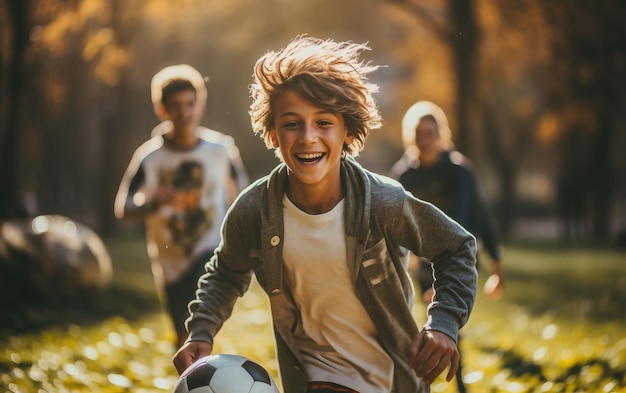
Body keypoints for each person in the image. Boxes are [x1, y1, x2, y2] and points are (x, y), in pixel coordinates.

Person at [173, 37, 478, 393]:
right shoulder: (255, 210)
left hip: (392, 377)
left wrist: (443, 322)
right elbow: (226, 273)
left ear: (347, 130)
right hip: (315, 377)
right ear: (272, 132)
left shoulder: (382, 203)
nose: (307, 137)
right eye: (291, 124)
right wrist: (202, 330)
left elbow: (456, 248)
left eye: (323, 122)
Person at [114, 64, 249, 347]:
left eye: (190, 104)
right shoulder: (149, 157)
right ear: (161, 110)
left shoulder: (221, 150)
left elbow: (244, 196)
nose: (184, 113)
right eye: (176, 106)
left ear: (200, 105)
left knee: (201, 328)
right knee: (182, 338)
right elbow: (123, 207)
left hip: (211, 250)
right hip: (169, 260)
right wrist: (152, 203)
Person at [388, 100, 505, 392]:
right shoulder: (404, 176)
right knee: (427, 322)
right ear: (410, 136)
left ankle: (459, 384)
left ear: (441, 134)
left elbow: (475, 217)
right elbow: (390, 221)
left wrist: (496, 263)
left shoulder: (460, 172)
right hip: (421, 263)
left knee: (447, 319)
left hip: (456, 257)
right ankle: (422, 380)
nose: (423, 139)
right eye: (418, 133)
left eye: (429, 132)